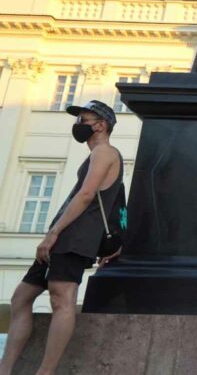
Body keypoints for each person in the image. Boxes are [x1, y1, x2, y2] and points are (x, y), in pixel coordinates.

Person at [0, 100, 123, 375]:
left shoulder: (105, 152)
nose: (78, 124)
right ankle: (5, 369)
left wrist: (53, 232)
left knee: (61, 298)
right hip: (65, 236)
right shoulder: (96, 155)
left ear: (100, 125)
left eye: (83, 119)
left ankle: (46, 371)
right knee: (21, 298)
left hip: (76, 237)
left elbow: (87, 195)